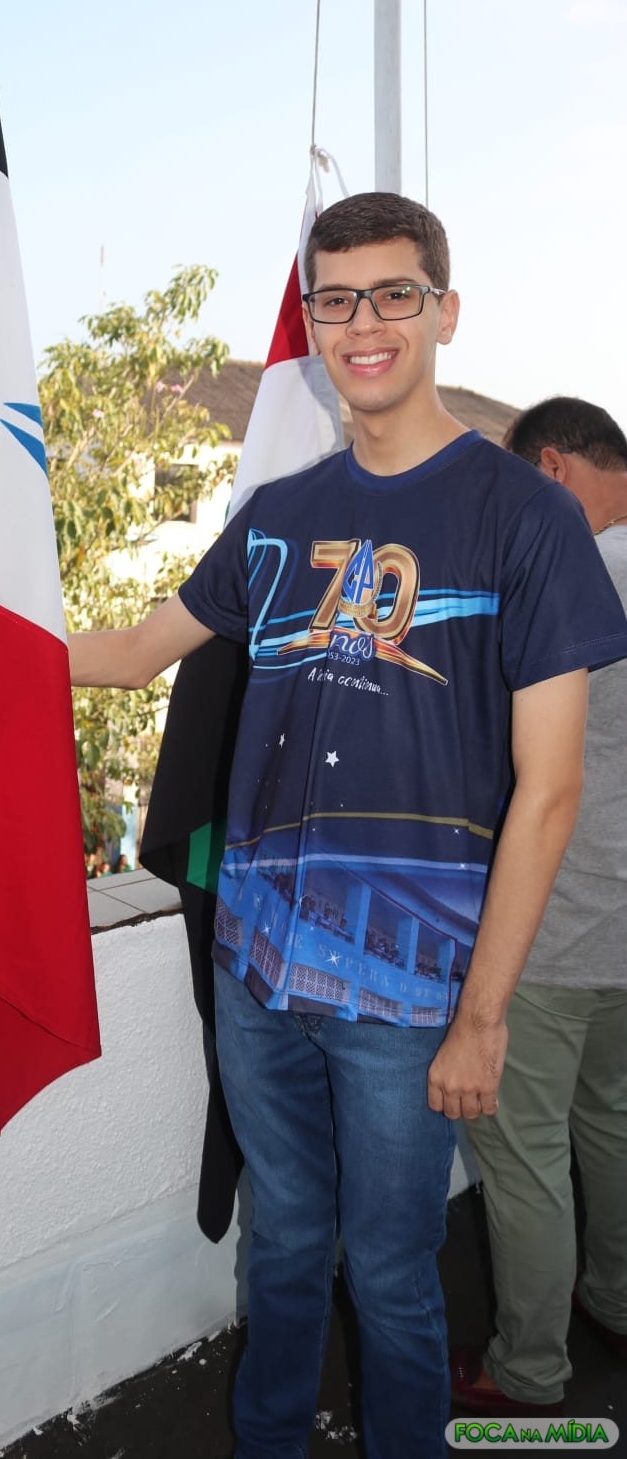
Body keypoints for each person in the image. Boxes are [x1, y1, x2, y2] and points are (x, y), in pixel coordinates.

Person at [68, 191, 627, 1459]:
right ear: (313, 321)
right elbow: (136, 651)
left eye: (392, 295)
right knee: (281, 1247)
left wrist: (482, 1017)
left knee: (390, 1270)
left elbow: (549, 791)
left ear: (442, 311)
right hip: (258, 967)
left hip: (407, 988)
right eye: (335, 299)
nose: (362, 323)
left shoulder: (524, 517)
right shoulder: (278, 514)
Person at [451, 397, 627, 1418]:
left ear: (552, 470)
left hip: (553, 929)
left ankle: (526, 1375)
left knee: (522, 1161)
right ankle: (615, 1301)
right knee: (611, 1124)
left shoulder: (579, 576)